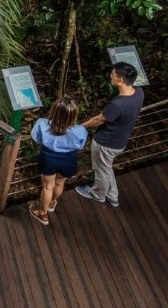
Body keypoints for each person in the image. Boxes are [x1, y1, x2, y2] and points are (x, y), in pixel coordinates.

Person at [76, 61, 144, 208]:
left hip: (106, 143)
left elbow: (99, 120)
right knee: (106, 167)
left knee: (101, 170)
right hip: (120, 141)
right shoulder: (139, 93)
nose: (110, 76)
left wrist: (80, 126)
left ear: (120, 80)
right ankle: (113, 196)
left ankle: (98, 194)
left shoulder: (118, 105)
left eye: (112, 75)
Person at [28, 96, 86, 226]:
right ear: (73, 115)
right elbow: (81, 146)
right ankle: (51, 202)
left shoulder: (42, 124)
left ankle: (42, 214)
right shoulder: (80, 130)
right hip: (69, 159)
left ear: (54, 111)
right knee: (59, 184)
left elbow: (36, 138)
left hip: (49, 158)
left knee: (48, 186)